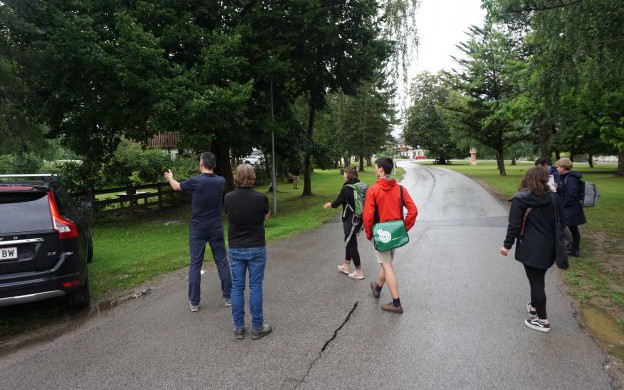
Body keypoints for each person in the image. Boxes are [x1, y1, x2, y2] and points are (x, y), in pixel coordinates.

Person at [164, 152, 232, 312]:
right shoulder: (221, 181)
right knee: (222, 261)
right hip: (216, 227)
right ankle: (228, 297)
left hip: (198, 229)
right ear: (214, 165)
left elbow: (176, 186)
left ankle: (194, 302)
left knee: (195, 264)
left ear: (201, 164)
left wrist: (170, 178)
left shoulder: (195, 181)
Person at [500, 166, 564, 333]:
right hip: (549, 246)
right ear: (545, 179)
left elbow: (513, 225)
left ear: (527, 178)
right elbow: (562, 221)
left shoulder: (520, 198)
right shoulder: (553, 197)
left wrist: (507, 245)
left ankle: (542, 321)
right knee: (538, 279)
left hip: (531, 247)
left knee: (536, 283)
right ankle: (534, 307)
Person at [362, 157, 417, 314]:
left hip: (381, 234)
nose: (374, 170)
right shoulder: (400, 189)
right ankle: (377, 287)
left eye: (375, 167)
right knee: (386, 262)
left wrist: (368, 234)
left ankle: (396, 303)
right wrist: (403, 228)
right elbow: (413, 211)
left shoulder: (373, 190)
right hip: (395, 233)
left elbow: (368, 216)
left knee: (387, 265)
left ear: (380, 169)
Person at [224, 164, 272, 340]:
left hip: (236, 247)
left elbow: (229, 215)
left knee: (237, 287)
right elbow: (265, 217)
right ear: (252, 177)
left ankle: (239, 328)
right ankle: (257, 327)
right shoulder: (261, 198)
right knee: (255, 287)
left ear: (236, 177)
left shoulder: (228, 197)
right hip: (256, 246)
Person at [323, 165, 364, 280]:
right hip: (358, 220)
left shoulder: (347, 188)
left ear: (348, 175)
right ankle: (346, 265)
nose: (343, 175)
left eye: (344, 173)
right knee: (349, 240)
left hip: (351, 220)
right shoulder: (358, 185)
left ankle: (359, 271)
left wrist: (329, 204)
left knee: (352, 244)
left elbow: (336, 203)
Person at [555, 158, 586, 257]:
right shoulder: (565, 177)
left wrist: (562, 205)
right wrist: (558, 187)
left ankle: (573, 249)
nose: (557, 169)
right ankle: (574, 249)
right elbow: (565, 190)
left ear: (564, 167)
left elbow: (572, 194)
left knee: (567, 227)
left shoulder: (571, 178)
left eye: (559, 167)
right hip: (569, 207)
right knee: (572, 228)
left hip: (571, 208)